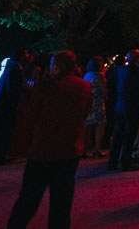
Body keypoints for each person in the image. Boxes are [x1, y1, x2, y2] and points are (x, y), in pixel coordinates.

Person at [6, 51, 92, 229]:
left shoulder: (46, 87)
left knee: (29, 198)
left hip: (43, 149)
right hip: (70, 148)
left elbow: (29, 116)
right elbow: (84, 113)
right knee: (62, 200)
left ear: (57, 66)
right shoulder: (84, 86)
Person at [108, 49, 139, 172]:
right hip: (132, 105)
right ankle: (125, 162)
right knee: (129, 135)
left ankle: (113, 161)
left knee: (118, 134)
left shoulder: (119, 70)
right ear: (138, 58)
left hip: (120, 104)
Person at [0, 50, 29, 166]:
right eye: (25, 54)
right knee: (2, 130)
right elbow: (11, 88)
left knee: (1, 130)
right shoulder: (14, 69)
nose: (28, 56)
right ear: (20, 57)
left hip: (4, 104)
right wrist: (24, 89)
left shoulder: (12, 68)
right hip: (7, 105)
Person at [82, 58, 107, 157]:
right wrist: (106, 96)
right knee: (100, 125)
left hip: (88, 101)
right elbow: (103, 90)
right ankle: (97, 149)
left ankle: (83, 149)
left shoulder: (87, 75)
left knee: (87, 126)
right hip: (97, 102)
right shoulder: (98, 76)